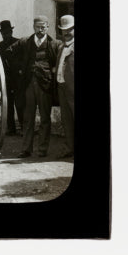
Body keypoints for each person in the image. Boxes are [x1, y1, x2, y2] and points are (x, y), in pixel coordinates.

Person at [18, 15, 61, 158]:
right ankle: (26, 149)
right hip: (29, 84)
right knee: (28, 118)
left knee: (45, 118)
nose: (40, 30)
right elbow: (10, 52)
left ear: (48, 27)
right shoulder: (25, 42)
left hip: (45, 86)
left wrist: (54, 70)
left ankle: (42, 150)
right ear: (33, 27)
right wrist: (20, 69)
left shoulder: (54, 44)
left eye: (43, 27)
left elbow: (60, 61)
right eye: (38, 27)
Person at [0, 20, 24, 136]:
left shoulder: (19, 43)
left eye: (7, 32)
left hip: (18, 78)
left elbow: (24, 60)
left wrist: (21, 72)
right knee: (7, 104)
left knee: (20, 103)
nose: (6, 35)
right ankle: (11, 128)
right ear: (1, 33)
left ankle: (23, 127)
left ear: (11, 32)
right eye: (4, 33)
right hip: (5, 79)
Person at [55, 14, 75, 158]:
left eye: (70, 29)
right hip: (62, 88)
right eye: (64, 30)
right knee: (66, 120)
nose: (67, 32)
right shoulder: (61, 47)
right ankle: (69, 147)